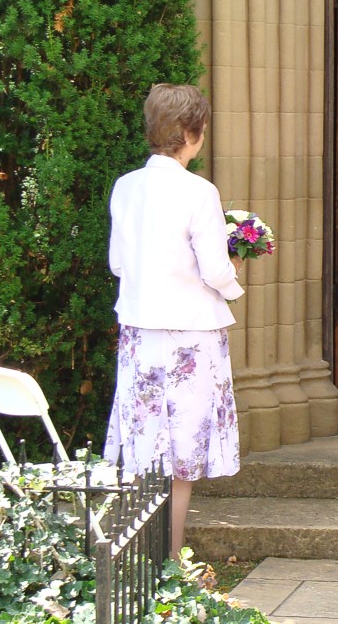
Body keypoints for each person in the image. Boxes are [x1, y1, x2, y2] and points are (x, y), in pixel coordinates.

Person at [104, 83, 244, 559]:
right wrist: (235, 280)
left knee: (143, 445)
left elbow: (118, 263)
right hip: (191, 334)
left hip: (140, 331)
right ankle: (168, 560)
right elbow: (215, 270)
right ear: (191, 132)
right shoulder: (199, 191)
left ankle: (136, 556)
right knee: (182, 453)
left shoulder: (126, 187)